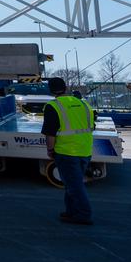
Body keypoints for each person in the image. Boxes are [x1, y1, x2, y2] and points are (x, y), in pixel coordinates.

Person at [42, 77, 95, 225]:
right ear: (65, 88)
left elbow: (50, 133)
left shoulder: (53, 106)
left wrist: (50, 150)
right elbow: (92, 126)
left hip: (66, 152)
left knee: (74, 185)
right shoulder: (84, 104)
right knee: (71, 184)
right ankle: (71, 211)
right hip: (85, 151)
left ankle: (83, 214)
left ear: (51, 91)